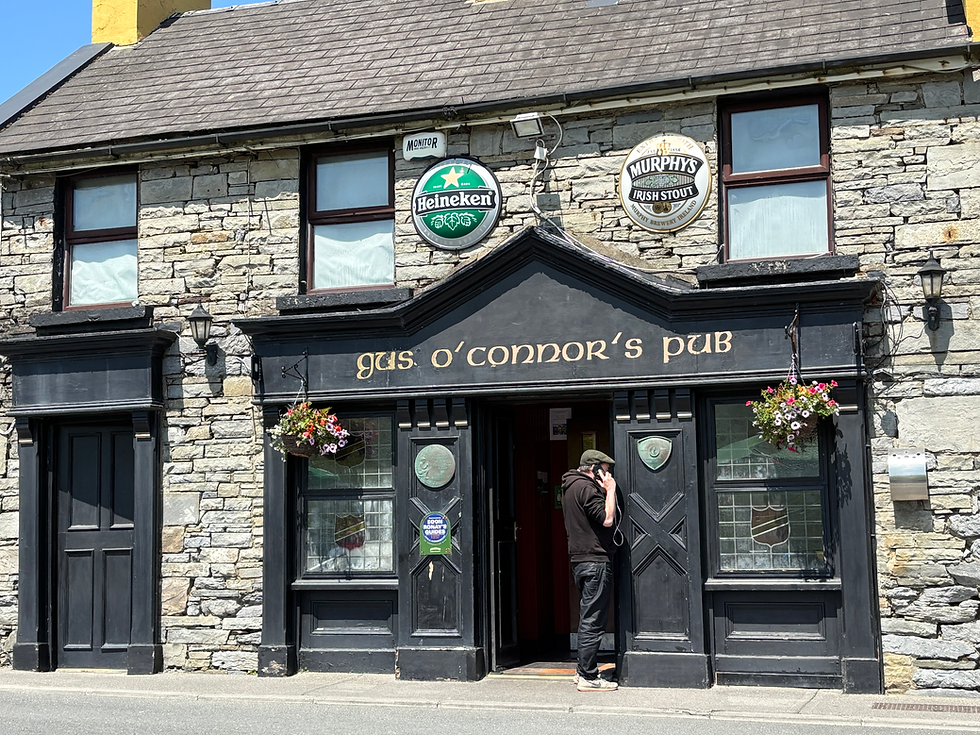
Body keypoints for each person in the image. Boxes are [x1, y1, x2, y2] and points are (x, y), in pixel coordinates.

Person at [561, 449, 619, 692]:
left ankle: (581, 670)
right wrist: (611, 490)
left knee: (587, 616)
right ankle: (588, 676)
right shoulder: (587, 488)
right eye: (605, 469)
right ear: (594, 468)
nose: (608, 474)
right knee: (594, 620)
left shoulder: (571, 486)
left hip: (580, 560)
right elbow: (606, 518)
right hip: (595, 560)